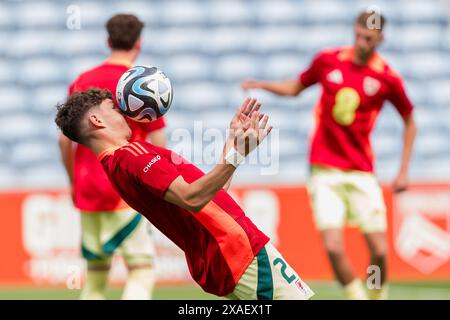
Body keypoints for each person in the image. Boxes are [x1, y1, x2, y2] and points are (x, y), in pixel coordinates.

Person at [55, 88, 314, 300]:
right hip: (237, 248)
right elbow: (193, 198)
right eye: (113, 108)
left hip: (220, 257)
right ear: (96, 121)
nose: (123, 111)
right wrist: (236, 156)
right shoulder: (132, 157)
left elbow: (209, 194)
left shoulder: (118, 166)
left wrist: (232, 145)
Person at [241, 11, 416, 300]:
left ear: (380, 40)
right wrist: (263, 85)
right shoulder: (329, 61)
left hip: (361, 171)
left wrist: (404, 170)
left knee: (380, 251)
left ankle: (376, 295)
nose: (362, 42)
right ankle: (356, 296)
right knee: (334, 247)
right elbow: (296, 87)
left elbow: (410, 120)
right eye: (359, 35)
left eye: (369, 39)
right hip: (324, 170)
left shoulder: (387, 78)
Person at [58, 14, 165, 300]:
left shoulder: (83, 80)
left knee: (95, 278)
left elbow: (63, 139)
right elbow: (158, 141)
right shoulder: (139, 83)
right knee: (141, 270)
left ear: (108, 41)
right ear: (139, 43)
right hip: (126, 188)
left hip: (88, 190)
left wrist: (73, 183)